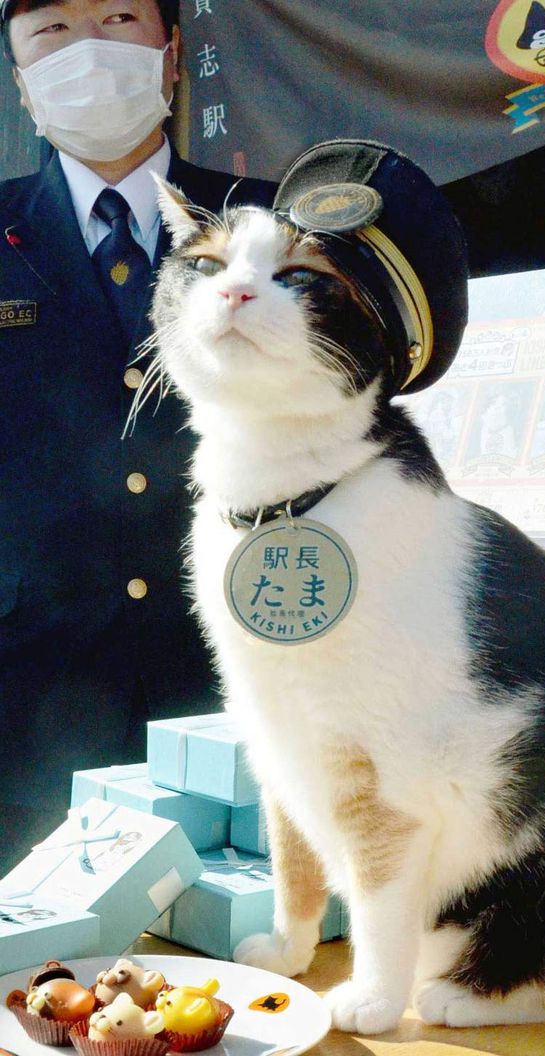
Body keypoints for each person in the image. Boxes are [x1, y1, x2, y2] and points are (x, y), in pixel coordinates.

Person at [0, 0, 276, 874]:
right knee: (38, 990)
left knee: (242, 973)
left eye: (118, 16)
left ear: (171, 55)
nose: (86, 49)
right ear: (21, 84)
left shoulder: (274, 227)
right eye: (51, 31)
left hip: (234, 683)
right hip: (27, 703)